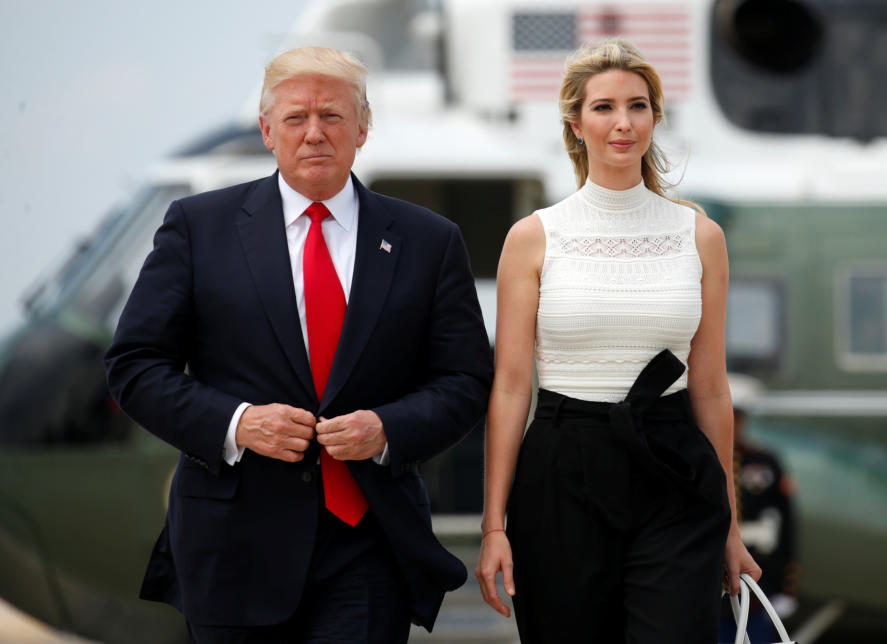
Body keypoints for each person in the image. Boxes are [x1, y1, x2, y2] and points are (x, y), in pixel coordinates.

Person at [105, 47, 492, 642]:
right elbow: (135, 366)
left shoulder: (429, 241)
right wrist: (238, 423)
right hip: (234, 546)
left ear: (363, 128)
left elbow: (465, 380)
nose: (315, 133)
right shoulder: (197, 227)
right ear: (267, 130)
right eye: (296, 118)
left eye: (332, 116)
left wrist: (387, 430)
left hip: (368, 543)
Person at [475, 39, 760, 643]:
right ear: (576, 124)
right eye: (604, 107)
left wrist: (729, 526)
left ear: (656, 118)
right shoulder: (533, 237)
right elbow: (510, 387)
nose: (623, 123)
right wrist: (493, 526)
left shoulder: (700, 235)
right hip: (561, 469)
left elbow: (709, 388)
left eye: (638, 105)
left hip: (675, 469)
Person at [719, 375, 799, 643]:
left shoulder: (765, 462)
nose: (733, 422)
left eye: (738, 415)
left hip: (756, 586)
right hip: (710, 589)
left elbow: (786, 527)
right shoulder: (698, 461)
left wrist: (786, 588)